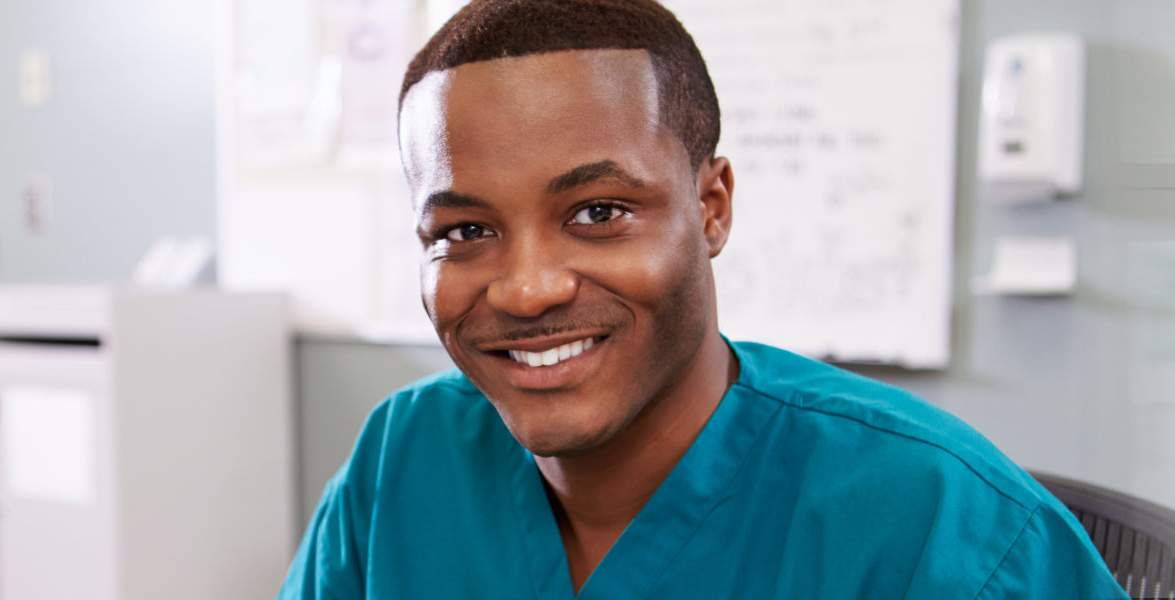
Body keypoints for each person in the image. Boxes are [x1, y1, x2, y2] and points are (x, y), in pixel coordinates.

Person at [280, 1, 1127, 598]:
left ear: (711, 206)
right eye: (464, 232)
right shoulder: (403, 462)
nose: (528, 288)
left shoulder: (940, 525)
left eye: (598, 213)